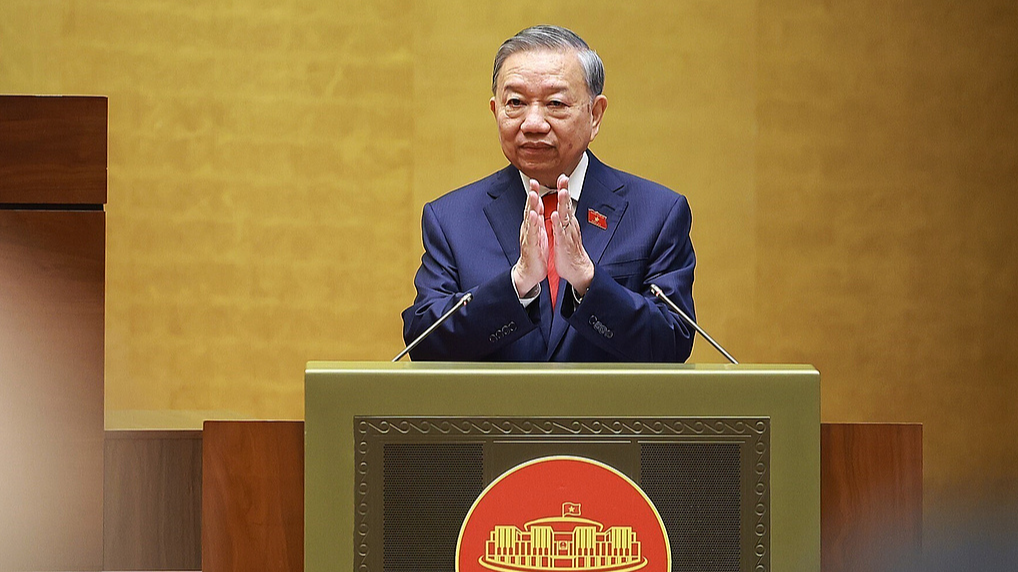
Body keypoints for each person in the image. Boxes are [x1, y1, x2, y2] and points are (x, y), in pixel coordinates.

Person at [401, 25, 696, 362]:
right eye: (516, 102)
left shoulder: (657, 213)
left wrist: (588, 281)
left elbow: (673, 340)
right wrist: (516, 286)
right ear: (496, 110)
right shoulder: (450, 219)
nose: (533, 122)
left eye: (555, 103)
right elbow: (423, 343)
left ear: (595, 115)